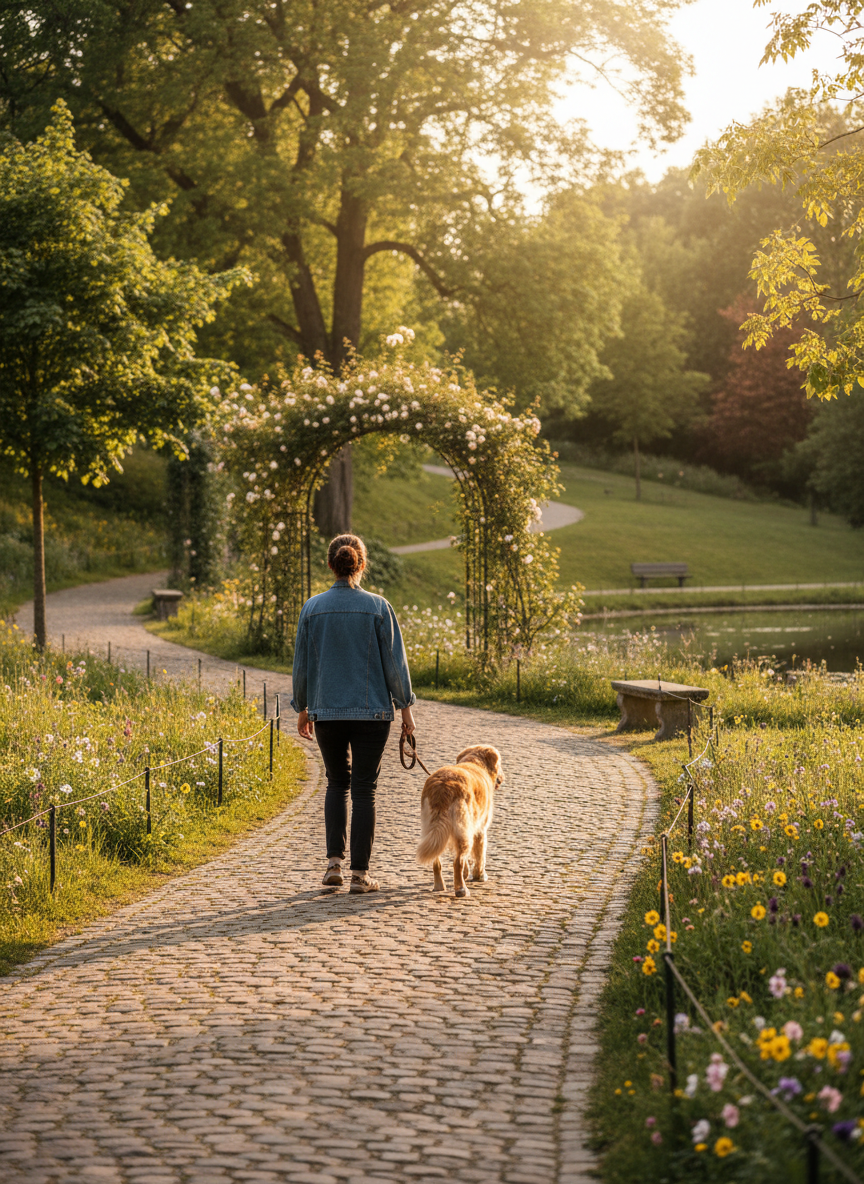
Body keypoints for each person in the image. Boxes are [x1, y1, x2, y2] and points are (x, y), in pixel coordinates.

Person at [291, 532, 416, 893]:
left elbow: (302, 665)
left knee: (336, 783)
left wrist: (303, 708)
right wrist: (406, 711)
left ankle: (333, 864)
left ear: (331, 565)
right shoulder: (379, 607)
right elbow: (395, 665)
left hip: (326, 712)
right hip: (373, 714)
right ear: (360, 565)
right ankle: (360, 875)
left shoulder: (312, 608)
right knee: (364, 789)